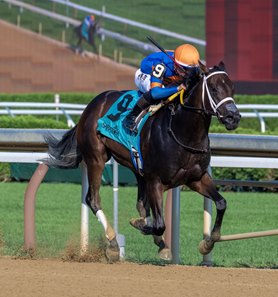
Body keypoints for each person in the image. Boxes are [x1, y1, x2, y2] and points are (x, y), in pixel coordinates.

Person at [123, 44, 200, 132]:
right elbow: (155, 92)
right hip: (145, 74)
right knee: (161, 92)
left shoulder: (191, 66)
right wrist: (177, 88)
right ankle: (131, 117)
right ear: (176, 65)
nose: (188, 73)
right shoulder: (161, 65)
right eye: (185, 70)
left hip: (166, 78)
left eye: (190, 70)